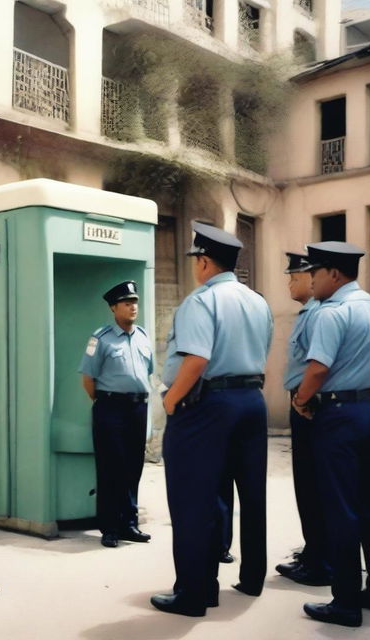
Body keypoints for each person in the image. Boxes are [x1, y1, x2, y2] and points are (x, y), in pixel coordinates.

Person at [151, 221, 273, 617]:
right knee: (251, 495)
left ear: (203, 262)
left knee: (194, 500)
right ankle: (252, 577)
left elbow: (197, 358)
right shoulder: (258, 302)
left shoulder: (201, 302)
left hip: (207, 407)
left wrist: (171, 400)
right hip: (251, 402)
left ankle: (195, 592)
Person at [292, 241, 370, 628]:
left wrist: (301, 399)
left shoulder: (332, 313)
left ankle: (345, 602)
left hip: (338, 420)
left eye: (314, 273)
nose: (310, 281)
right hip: (369, 416)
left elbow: (316, 370)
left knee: (340, 509)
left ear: (334, 274)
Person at [79, 281, 153, 548]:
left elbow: (148, 372)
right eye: (126, 303)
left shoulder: (143, 336)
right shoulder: (100, 338)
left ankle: (128, 524)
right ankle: (109, 527)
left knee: (134, 467)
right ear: (113, 308)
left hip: (138, 408)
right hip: (110, 408)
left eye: (135, 302)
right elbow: (88, 379)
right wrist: (105, 402)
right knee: (111, 468)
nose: (133, 307)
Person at [275, 252, 331, 586]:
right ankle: (314, 553)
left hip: (307, 404)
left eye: (293, 277)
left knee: (311, 486)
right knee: (309, 484)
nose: (290, 283)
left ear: (309, 279)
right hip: (306, 401)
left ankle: (319, 562)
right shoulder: (310, 313)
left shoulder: (316, 314)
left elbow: (317, 365)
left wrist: (302, 398)